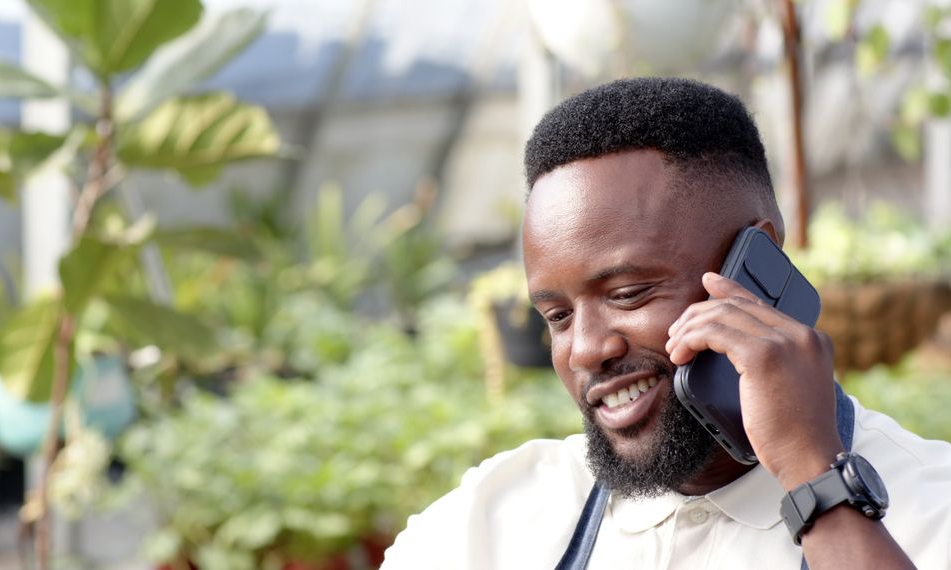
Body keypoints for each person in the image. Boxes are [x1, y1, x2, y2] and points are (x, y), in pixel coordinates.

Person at [381, 77, 951, 569]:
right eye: (557, 315)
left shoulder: (931, 509)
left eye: (627, 294)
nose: (585, 349)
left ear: (759, 263)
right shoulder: (487, 523)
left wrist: (817, 482)